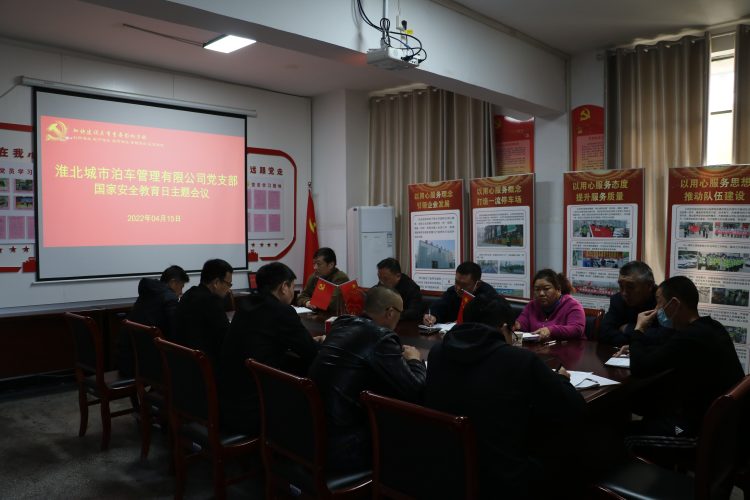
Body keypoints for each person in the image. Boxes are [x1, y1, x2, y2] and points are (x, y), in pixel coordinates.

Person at [425, 295, 585, 499]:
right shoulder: (519, 359)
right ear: (503, 328)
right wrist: (561, 379)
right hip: (502, 478)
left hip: (446, 469)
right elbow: (574, 406)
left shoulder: (438, 352)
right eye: (513, 331)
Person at [617, 275, 744, 450]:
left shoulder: (690, 337)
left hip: (700, 432)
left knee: (623, 435)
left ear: (674, 304)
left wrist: (638, 330)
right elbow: (668, 349)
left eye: (659, 303)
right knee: (645, 406)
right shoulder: (710, 327)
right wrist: (636, 347)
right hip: (723, 422)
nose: (656, 309)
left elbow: (640, 369)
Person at [308, 286, 426, 473]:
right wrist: (414, 360)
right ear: (390, 312)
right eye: (400, 312)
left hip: (311, 431)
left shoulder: (342, 324)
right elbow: (414, 389)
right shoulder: (381, 337)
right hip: (343, 445)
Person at [219, 262, 323, 435]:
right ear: (284, 287)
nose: (293, 292)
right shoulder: (282, 312)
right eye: (292, 287)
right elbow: (311, 352)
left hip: (229, 400)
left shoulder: (245, 305)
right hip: (256, 407)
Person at [118, 265, 190, 378]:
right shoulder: (169, 298)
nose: (181, 292)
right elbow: (176, 332)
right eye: (181, 287)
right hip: (147, 367)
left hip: (128, 359)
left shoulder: (148, 293)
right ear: (173, 282)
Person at [175, 258, 233, 363]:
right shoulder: (211, 301)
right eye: (228, 284)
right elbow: (227, 338)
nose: (229, 290)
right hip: (204, 364)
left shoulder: (189, 293)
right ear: (216, 282)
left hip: (183, 360)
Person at [599, 261, 670, 345]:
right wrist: (638, 338)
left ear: (649, 286)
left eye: (630, 287)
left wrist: (628, 328)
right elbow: (605, 334)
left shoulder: (663, 301)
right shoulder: (618, 300)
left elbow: (665, 338)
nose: (624, 293)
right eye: (621, 286)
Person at [422, 261, 512, 325]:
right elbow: (439, 306)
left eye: (464, 285)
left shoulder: (489, 296)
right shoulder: (452, 291)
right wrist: (432, 316)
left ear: (477, 284)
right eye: (456, 282)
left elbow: (494, 321)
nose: (458, 288)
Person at [512, 269, 585, 340]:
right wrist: (517, 325)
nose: (541, 294)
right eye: (537, 289)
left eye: (546, 289)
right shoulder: (532, 306)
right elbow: (522, 323)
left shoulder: (572, 305)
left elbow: (577, 329)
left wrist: (550, 330)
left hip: (569, 347)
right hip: (538, 347)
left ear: (558, 289)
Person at [296, 247, 349, 314]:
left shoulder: (341, 278)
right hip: (316, 316)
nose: (315, 267)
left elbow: (333, 304)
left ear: (331, 265)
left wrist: (314, 301)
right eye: (314, 263)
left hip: (334, 317)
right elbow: (301, 297)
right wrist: (307, 302)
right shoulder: (313, 277)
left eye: (318, 264)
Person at [375, 257, 423, 321]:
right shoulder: (381, 284)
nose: (381, 282)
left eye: (385, 279)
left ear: (398, 276)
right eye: (379, 278)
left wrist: (391, 314)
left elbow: (414, 312)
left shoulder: (412, 288)